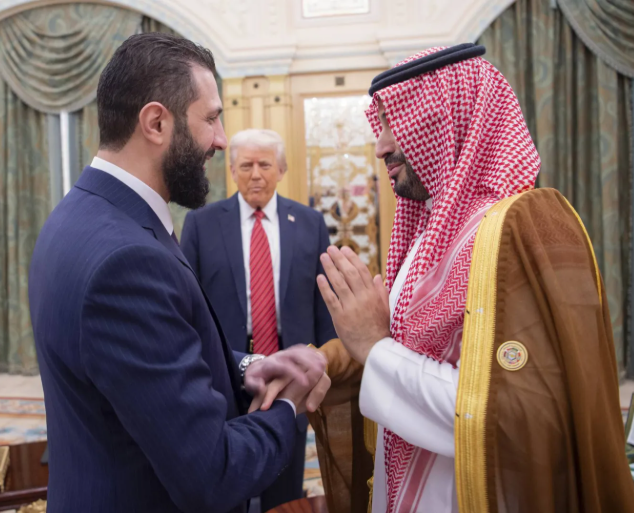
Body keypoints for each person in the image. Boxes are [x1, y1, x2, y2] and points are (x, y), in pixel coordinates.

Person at [312, 43, 634, 513]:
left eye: (392, 123)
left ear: (443, 120)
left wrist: (375, 349)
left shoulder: (519, 233)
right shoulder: (429, 234)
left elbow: (519, 415)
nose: (380, 146)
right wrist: (323, 362)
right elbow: (399, 348)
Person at [28, 33, 330, 513]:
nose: (221, 139)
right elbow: (212, 473)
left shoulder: (82, 214)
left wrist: (247, 367)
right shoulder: (126, 261)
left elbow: (153, 355)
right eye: (210, 118)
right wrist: (290, 403)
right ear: (156, 123)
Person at [181, 128, 338, 511]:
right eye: (246, 165)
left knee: (283, 495)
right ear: (232, 170)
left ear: (281, 170)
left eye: (265, 165)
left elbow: (323, 306)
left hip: (291, 380)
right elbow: (187, 306)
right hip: (225, 376)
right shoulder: (201, 224)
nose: (255, 174)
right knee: (223, 487)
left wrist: (324, 365)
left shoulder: (310, 223)